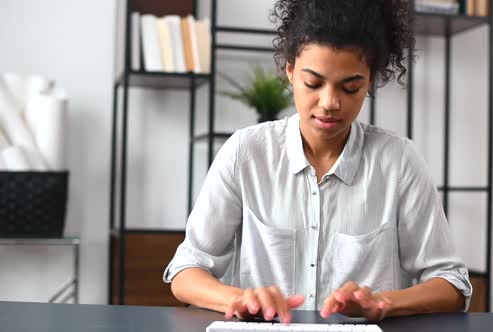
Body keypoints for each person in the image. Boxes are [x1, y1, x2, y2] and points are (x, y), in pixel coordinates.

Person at [164, 0, 472, 323]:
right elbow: (185, 271)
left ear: (370, 82)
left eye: (350, 88)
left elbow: (452, 284)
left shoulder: (399, 163)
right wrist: (240, 298)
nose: (329, 103)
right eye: (313, 83)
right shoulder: (245, 154)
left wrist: (384, 302)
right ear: (290, 71)